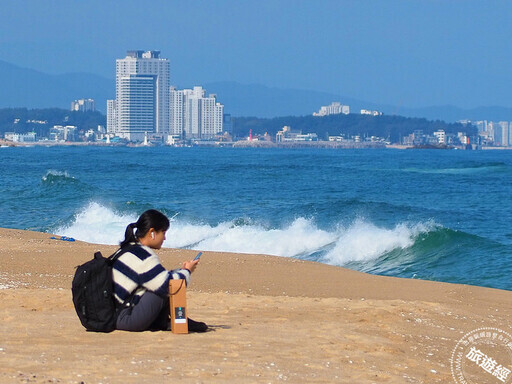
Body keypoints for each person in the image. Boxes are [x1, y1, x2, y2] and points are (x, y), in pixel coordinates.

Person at [112, 209, 207, 332]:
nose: (165, 238)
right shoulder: (142, 255)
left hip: (117, 313)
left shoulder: (129, 248)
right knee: (166, 287)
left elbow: (156, 277)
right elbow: (166, 285)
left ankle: (170, 321)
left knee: (164, 280)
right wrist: (187, 271)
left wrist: (181, 271)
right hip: (125, 318)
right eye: (163, 232)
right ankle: (179, 320)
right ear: (152, 232)